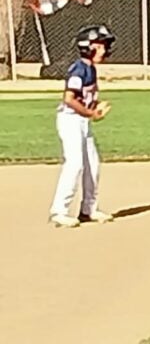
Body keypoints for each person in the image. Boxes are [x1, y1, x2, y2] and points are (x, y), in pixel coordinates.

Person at [49, 25, 116, 227]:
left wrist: (94, 108)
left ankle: (88, 209)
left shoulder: (90, 69)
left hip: (82, 121)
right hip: (70, 120)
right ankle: (59, 211)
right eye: (101, 45)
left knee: (93, 165)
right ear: (89, 47)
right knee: (75, 163)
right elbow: (69, 99)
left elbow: (85, 99)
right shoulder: (78, 70)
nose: (104, 50)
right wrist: (91, 113)